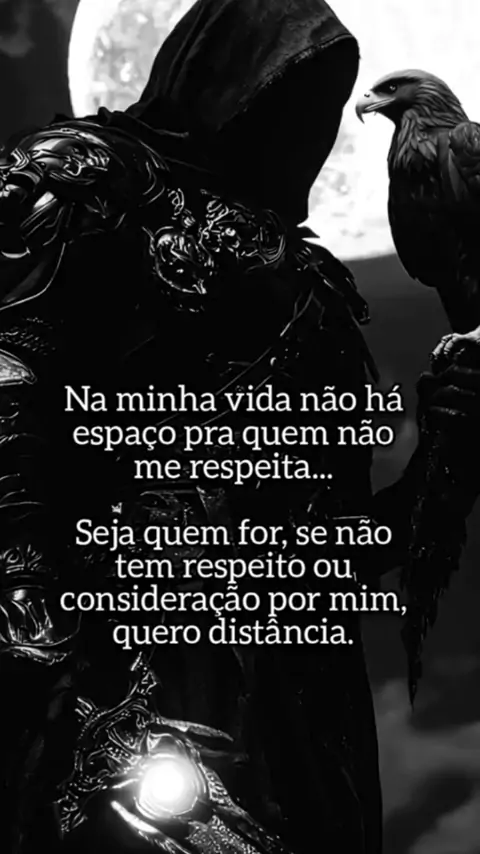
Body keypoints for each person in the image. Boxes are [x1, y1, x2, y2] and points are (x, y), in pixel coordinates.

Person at [0, 2, 478, 853]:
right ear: (225, 70)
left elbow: (337, 543)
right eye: (292, 90)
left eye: (323, 101)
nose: (313, 126)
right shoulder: (89, 176)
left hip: (305, 726)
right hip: (122, 672)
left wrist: (447, 456)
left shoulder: (319, 288)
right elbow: (9, 381)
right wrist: (32, 617)